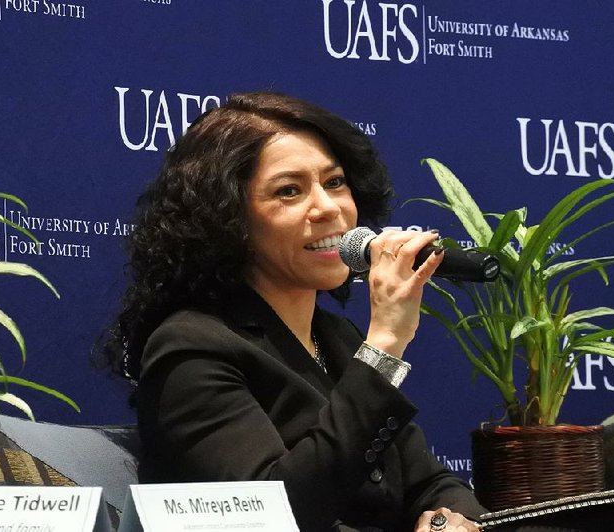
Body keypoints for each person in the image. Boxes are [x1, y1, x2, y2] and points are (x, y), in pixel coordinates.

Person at [106, 91, 487, 531]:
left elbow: (433, 483)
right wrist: (384, 343)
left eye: (335, 182)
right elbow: (279, 514)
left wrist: (448, 520)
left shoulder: (336, 337)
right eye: (289, 191)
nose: (327, 208)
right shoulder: (193, 348)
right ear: (228, 219)